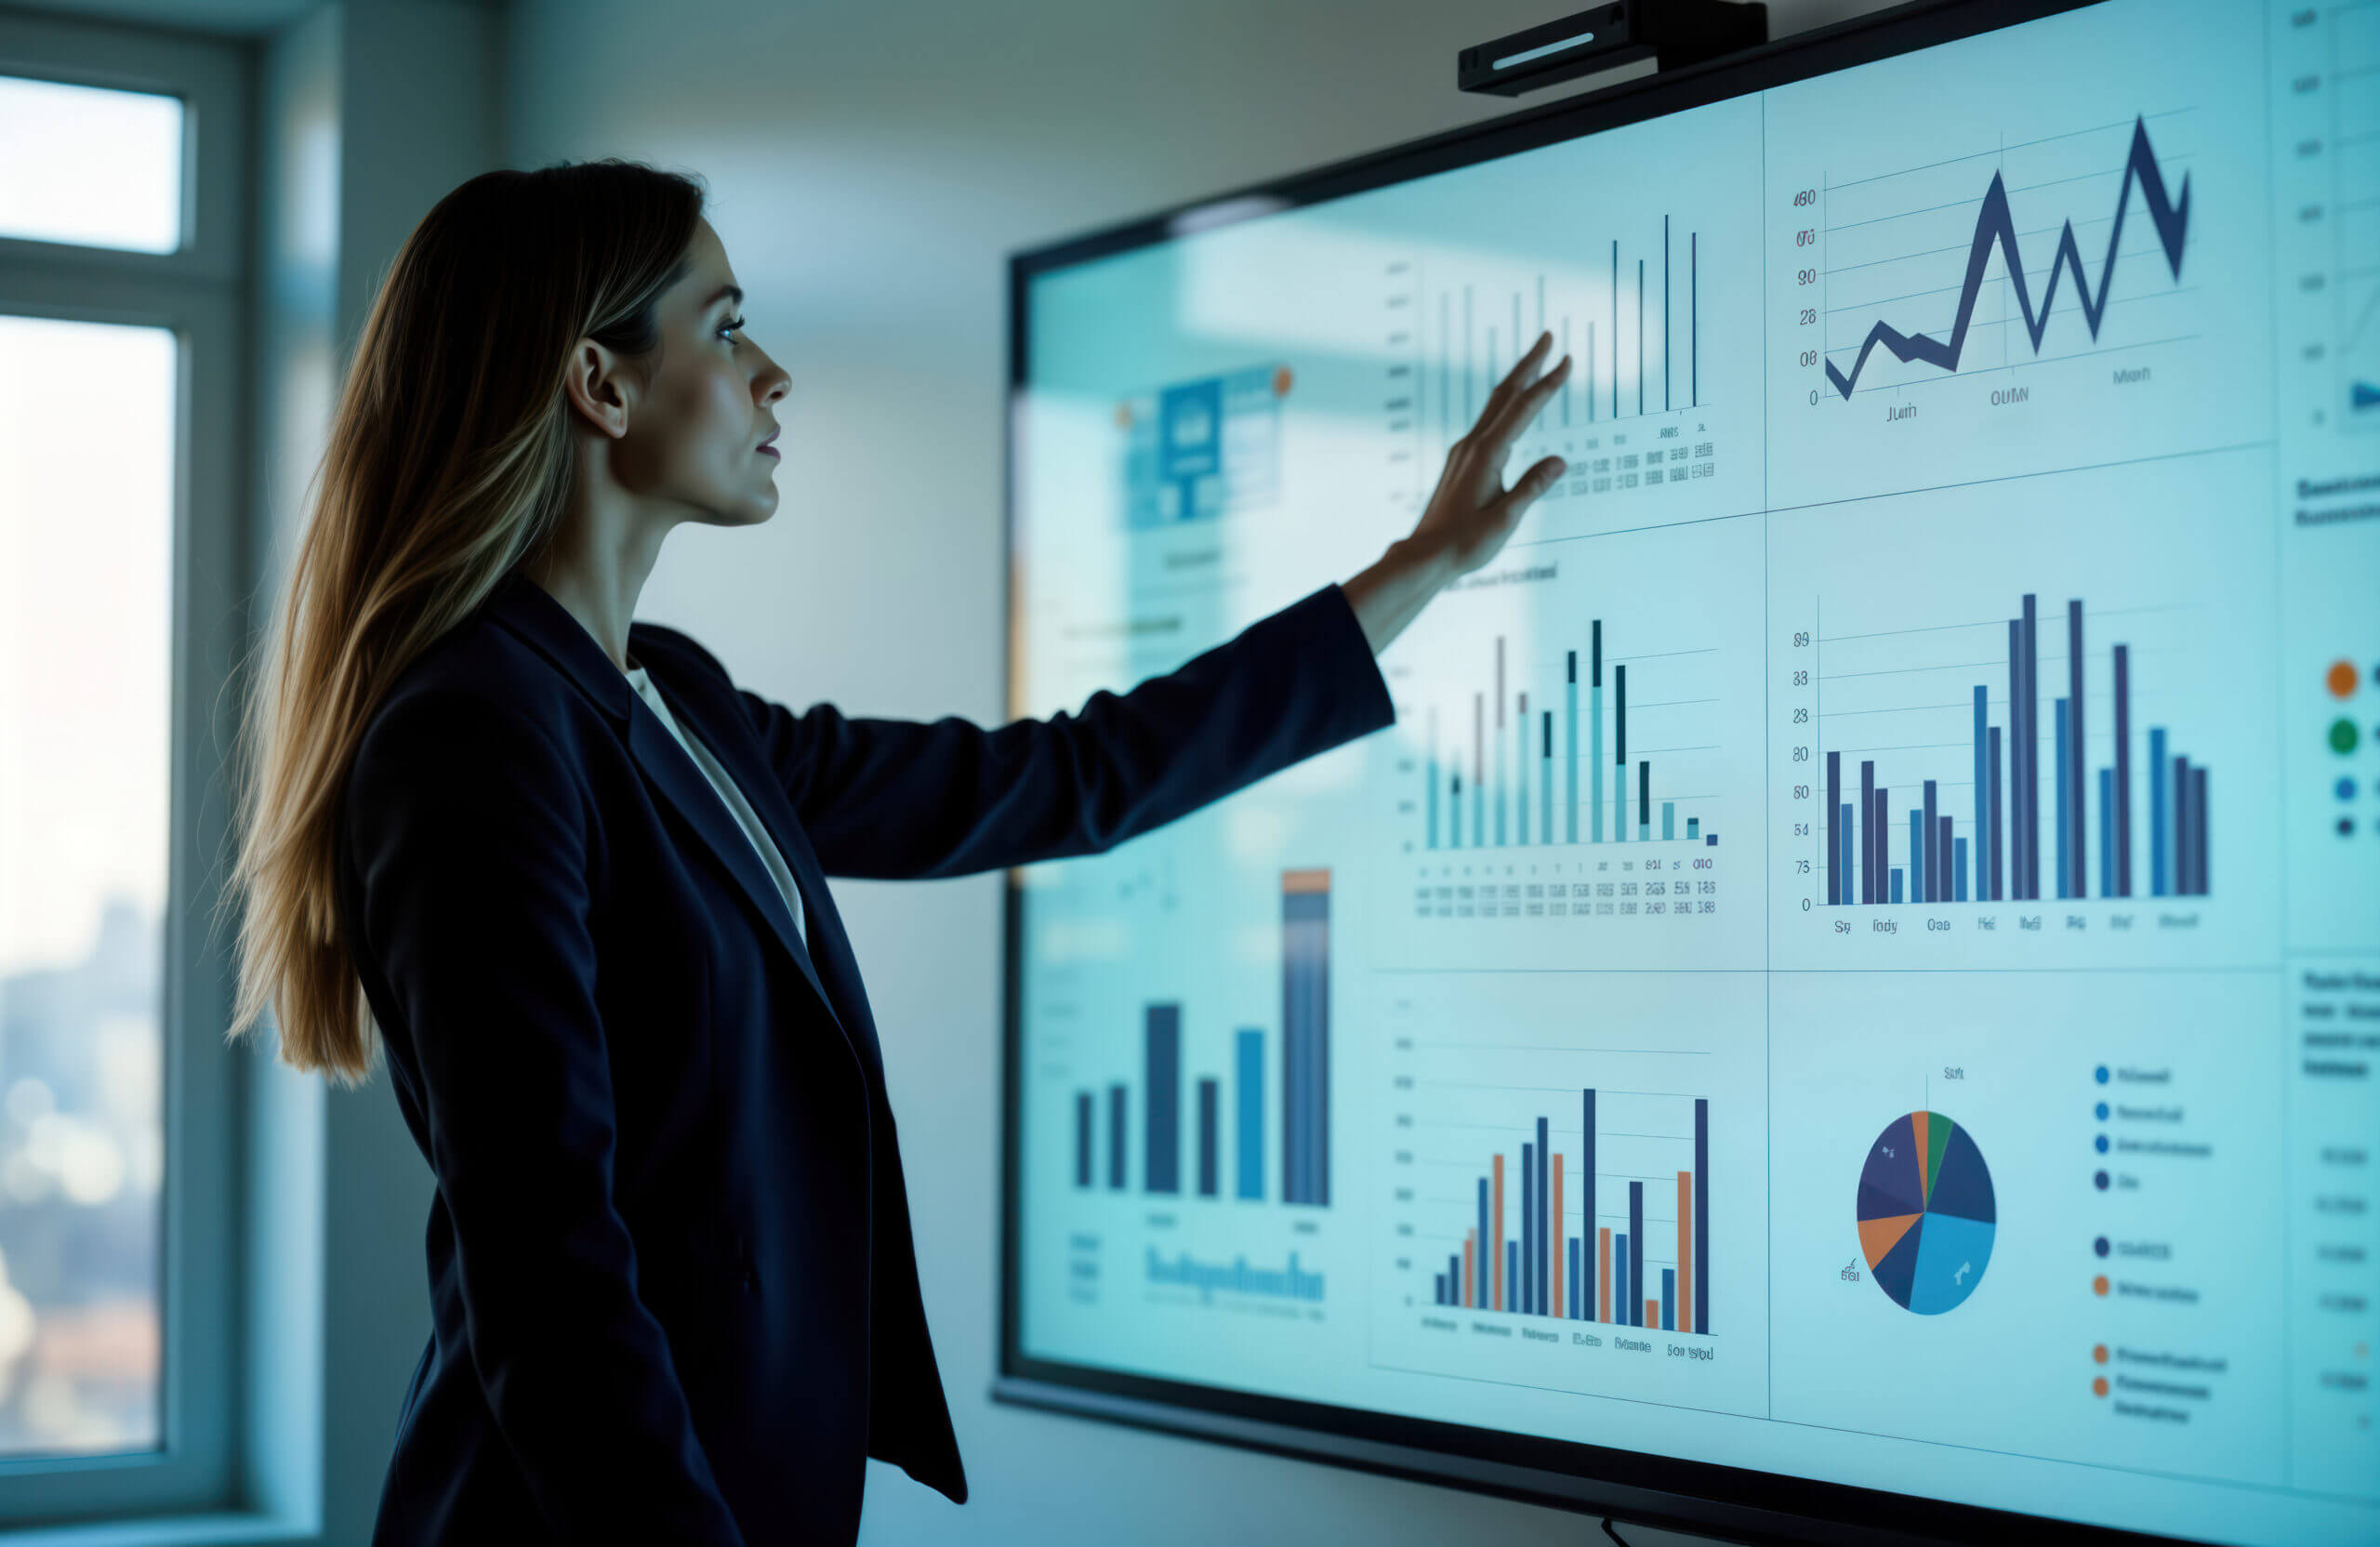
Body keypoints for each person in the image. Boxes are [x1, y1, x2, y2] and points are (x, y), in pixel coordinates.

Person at [220, 159, 1570, 1545]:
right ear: (600, 386)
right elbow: (549, 1278)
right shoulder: (476, 733)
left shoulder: (671, 695)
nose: (773, 375)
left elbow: (1053, 780)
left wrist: (1416, 571)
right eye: (728, 326)